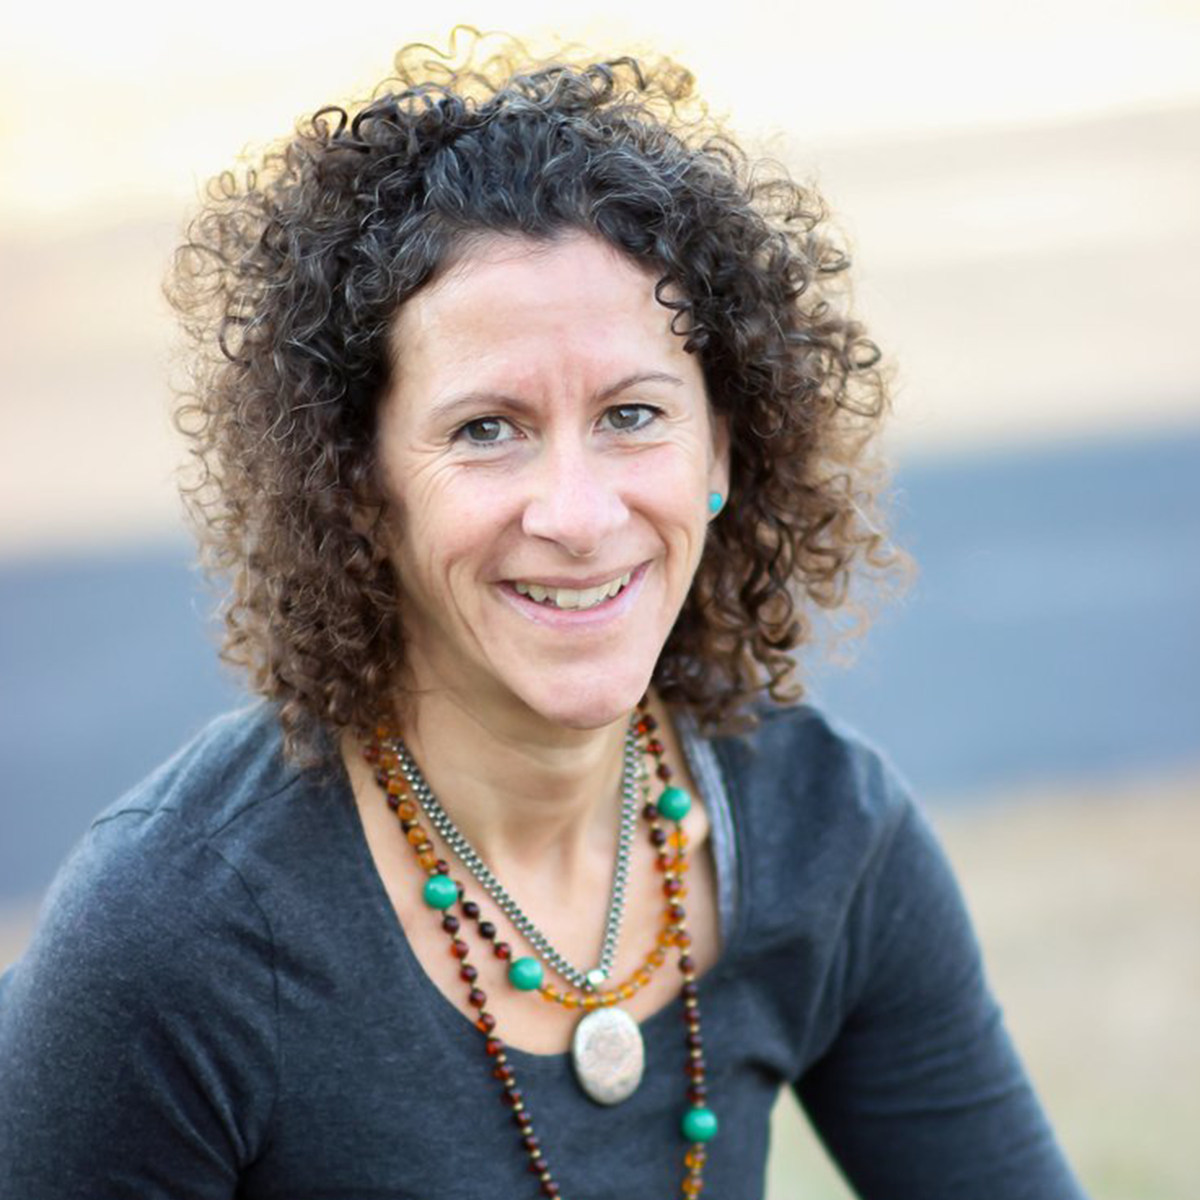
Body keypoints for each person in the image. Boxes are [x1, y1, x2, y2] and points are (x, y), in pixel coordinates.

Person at [0, 32, 1088, 1200]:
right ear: (359, 490)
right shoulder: (170, 943)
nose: (576, 514)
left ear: (722, 448)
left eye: (632, 414)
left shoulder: (823, 830)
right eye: (485, 429)